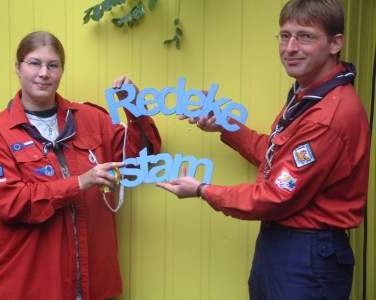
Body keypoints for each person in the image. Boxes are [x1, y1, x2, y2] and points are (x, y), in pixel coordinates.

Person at [157, 0, 370, 299]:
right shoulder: (309, 93)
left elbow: (276, 196)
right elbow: (277, 156)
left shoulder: (328, 116)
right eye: (285, 35)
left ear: (336, 43)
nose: (290, 47)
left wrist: (203, 190)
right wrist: (226, 124)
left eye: (305, 36)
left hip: (305, 257)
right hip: (284, 248)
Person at [0, 31, 161, 300]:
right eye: (34, 63)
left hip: (90, 284)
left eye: (53, 65)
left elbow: (142, 156)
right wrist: (79, 183)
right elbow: (10, 203)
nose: (44, 73)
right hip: (28, 286)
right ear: (18, 67)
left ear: (62, 70)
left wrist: (133, 106)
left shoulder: (90, 118)